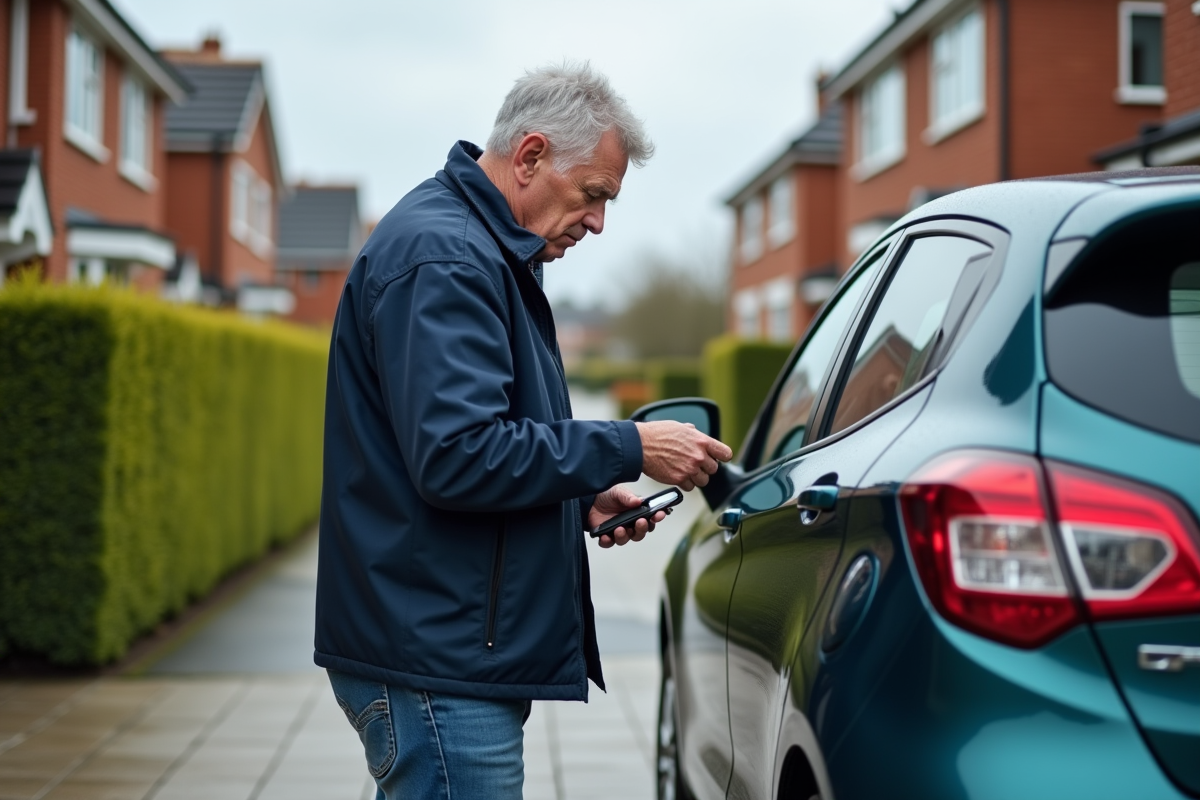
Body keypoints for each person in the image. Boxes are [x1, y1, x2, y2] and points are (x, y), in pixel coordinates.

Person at [314, 62, 733, 799]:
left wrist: (581, 497)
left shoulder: (485, 253)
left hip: (444, 647)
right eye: (594, 195)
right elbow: (457, 455)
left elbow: (476, 443)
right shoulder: (446, 259)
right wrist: (630, 445)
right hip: (435, 660)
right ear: (531, 156)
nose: (599, 222)